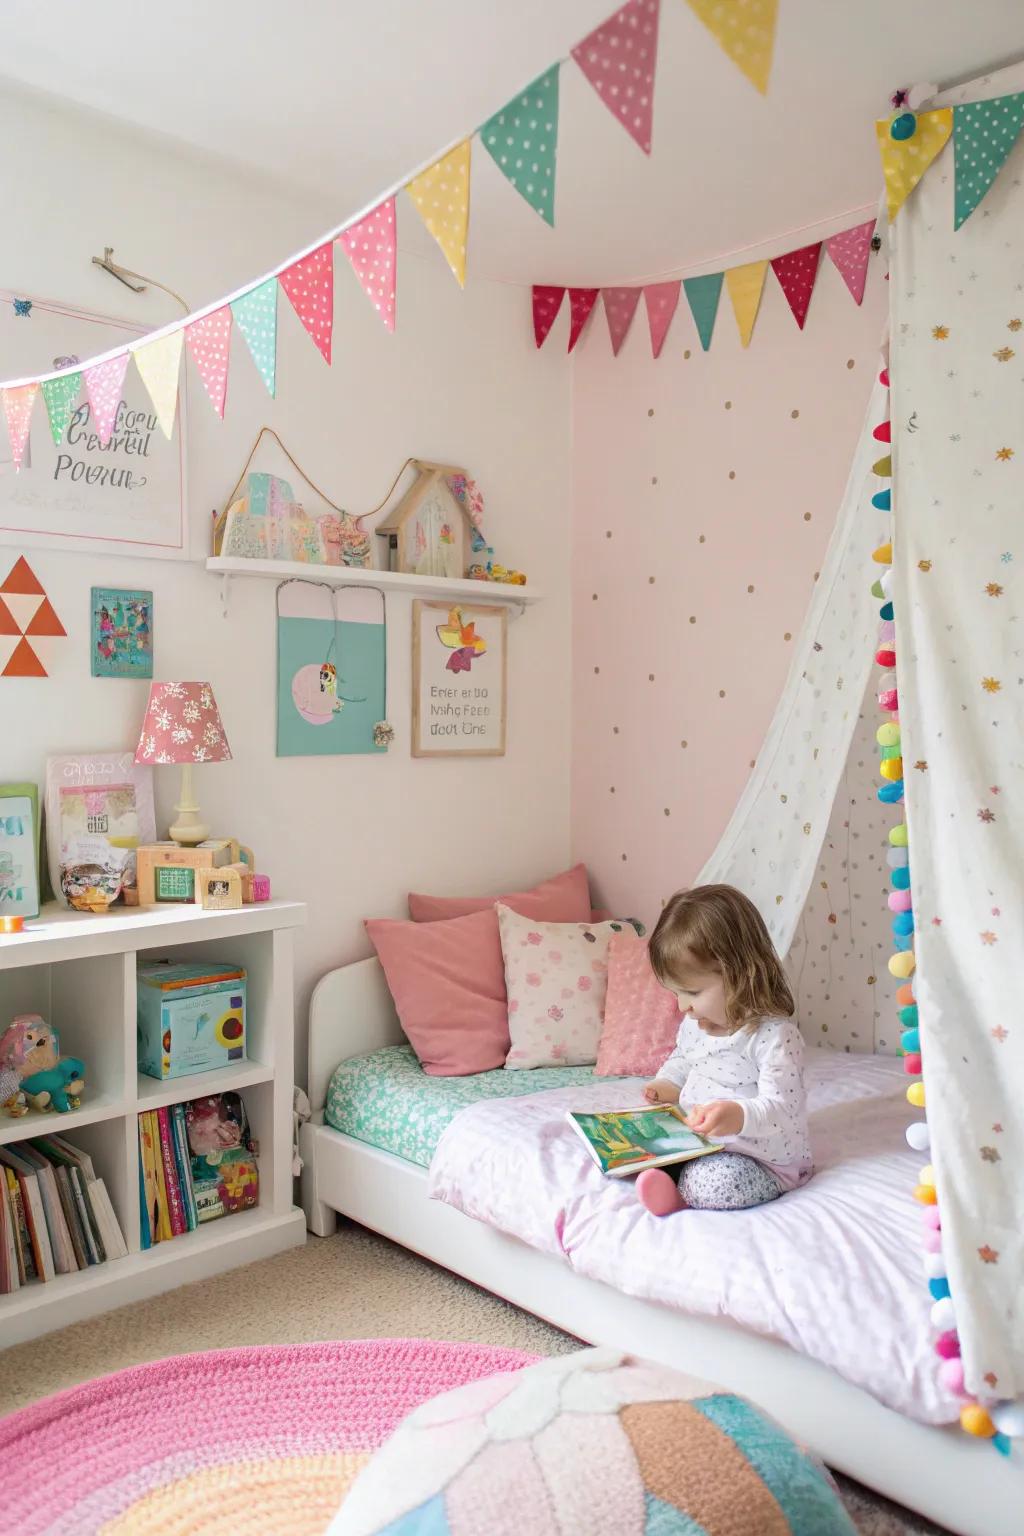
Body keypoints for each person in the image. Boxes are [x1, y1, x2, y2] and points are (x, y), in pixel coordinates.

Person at [636, 883, 811, 1216]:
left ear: (741, 974)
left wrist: (738, 1115)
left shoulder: (774, 1037)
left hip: (762, 1159)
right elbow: (684, 1060)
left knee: (717, 1183)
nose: (682, 1006)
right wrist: (666, 1084)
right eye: (675, 994)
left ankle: (680, 1194)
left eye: (691, 991)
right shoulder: (694, 1024)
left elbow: (783, 1108)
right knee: (636, 1152)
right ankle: (671, 1176)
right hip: (701, 1143)